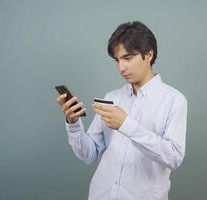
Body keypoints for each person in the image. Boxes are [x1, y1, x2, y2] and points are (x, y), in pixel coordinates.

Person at [56, 21, 187, 200]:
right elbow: (89, 154)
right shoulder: (112, 98)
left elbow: (173, 158)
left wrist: (126, 124)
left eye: (127, 58)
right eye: (117, 60)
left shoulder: (174, 100)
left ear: (148, 54)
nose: (121, 68)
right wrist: (73, 123)